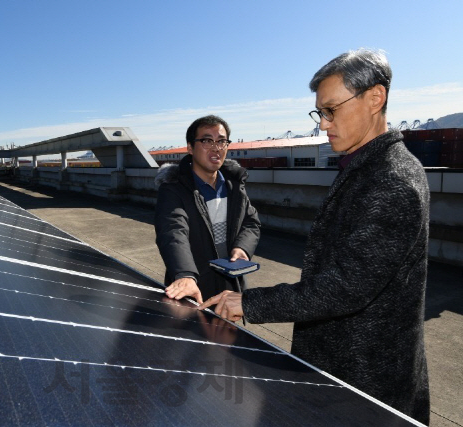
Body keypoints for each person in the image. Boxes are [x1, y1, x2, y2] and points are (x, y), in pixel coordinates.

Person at [200, 49, 430, 424]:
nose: (323, 124)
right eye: (319, 113)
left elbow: (345, 287)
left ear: (375, 98)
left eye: (332, 110)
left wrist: (249, 303)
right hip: (341, 372)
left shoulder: (393, 180)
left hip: (363, 383)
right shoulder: (367, 166)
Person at [154, 115, 261, 304]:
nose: (216, 147)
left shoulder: (234, 186)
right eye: (206, 140)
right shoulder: (174, 188)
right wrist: (184, 274)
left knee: (229, 333)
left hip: (230, 285)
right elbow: (172, 231)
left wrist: (242, 248)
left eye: (221, 141)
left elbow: (251, 222)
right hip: (193, 286)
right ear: (190, 148)